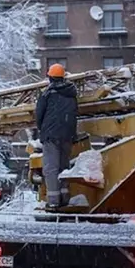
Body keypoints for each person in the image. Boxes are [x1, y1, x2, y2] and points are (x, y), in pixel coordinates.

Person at [35, 63, 78, 210]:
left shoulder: (47, 93)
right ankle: (65, 198)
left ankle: (53, 201)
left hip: (51, 136)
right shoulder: (72, 94)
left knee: (51, 168)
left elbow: (39, 115)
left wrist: (42, 130)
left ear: (50, 78)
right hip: (67, 135)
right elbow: (74, 114)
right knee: (64, 166)